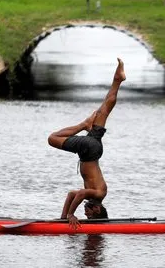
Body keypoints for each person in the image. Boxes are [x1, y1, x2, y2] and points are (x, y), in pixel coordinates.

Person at [47, 57, 126, 229]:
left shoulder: (94, 197)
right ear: (97, 210)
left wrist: (63, 219)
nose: (85, 214)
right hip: (89, 150)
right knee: (52, 139)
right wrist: (71, 215)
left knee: (104, 109)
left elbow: (71, 195)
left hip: (92, 148)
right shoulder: (98, 194)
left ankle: (117, 80)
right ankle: (83, 124)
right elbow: (81, 193)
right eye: (89, 214)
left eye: (85, 214)